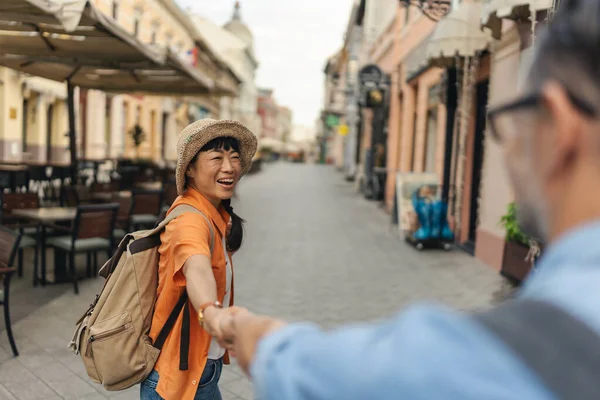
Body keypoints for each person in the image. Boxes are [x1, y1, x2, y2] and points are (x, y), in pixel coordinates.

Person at [219, 1, 600, 398]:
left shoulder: (475, 361)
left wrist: (244, 328)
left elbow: (307, 368)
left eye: (516, 123)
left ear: (558, 130)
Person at [140, 119, 257, 400]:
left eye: (234, 157)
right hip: (177, 379)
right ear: (190, 168)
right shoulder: (190, 220)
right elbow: (197, 267)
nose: (229, 167)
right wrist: (211, 311)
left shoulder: (212, 215)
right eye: (217, 157)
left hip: (201, 368)